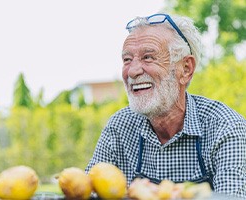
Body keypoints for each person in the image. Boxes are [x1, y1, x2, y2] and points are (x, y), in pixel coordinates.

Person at [85, 13, 246, 197]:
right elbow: (87, 191)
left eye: (148, 57)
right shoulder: (120, 126)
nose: (133, 71)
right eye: (127, 60)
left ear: (186, 69)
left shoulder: (226, 127)